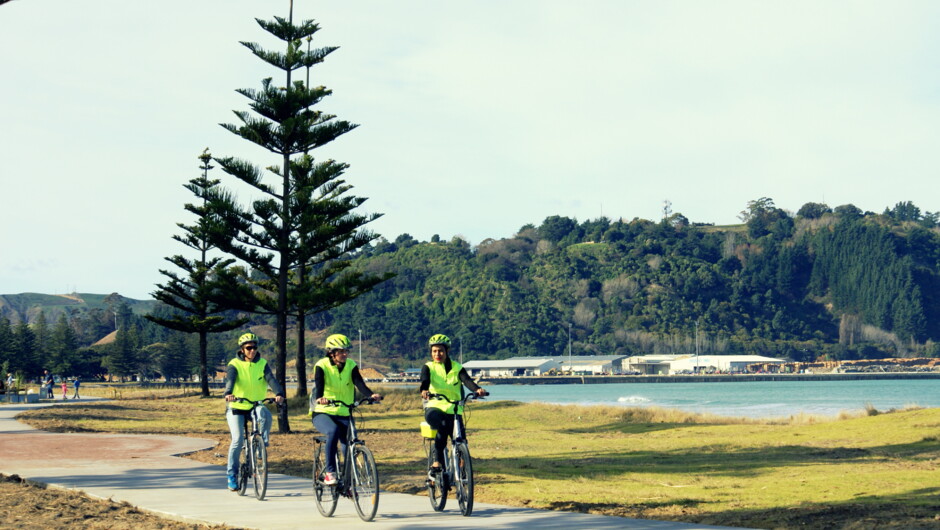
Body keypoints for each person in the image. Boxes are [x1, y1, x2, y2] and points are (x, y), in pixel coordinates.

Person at [311, 334, 382, 486]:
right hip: (323, 411)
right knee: (332, 431)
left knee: (348, 443)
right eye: (341, 351)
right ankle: (330, 473)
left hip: (344, 411)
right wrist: (320, 397)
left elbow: (359, 383)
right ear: (331, 352)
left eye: (346, 351)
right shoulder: (321, 365)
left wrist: (371, 395)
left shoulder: (351, 365)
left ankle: (348, 479)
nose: (345, 354)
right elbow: (319, 384)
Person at [223, 332, 285, 491]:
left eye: (254, 348)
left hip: (254, 405)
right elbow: (230, 380)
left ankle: (261, 444)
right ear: (242, 350)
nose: (252, 351)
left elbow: (271, 379)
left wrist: (279, 393)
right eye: (249, 348)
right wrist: (228, 393)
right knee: (237, 440)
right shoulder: (234, 364)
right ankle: (231, 475)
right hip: (236, 406)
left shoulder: (262, 363)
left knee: (265, 413)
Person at [419, 334, 488, 473]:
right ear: (431, 352)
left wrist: (477, 390)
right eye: (434, 351)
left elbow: (467, 381)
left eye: (440, 351)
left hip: (454, 409)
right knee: (443, 425)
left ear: (447, 351)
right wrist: (424, 390)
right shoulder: (428, 367)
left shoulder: (457, 367)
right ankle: (437, 461)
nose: (437, 354)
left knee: (461, 439)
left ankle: (463, 470)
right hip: (434, 407)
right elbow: (425, 381)